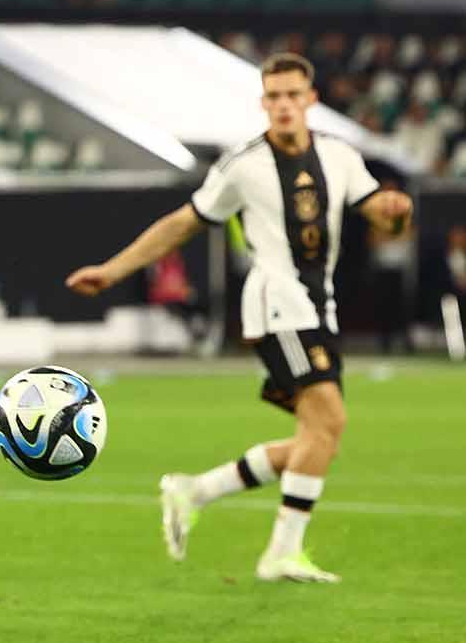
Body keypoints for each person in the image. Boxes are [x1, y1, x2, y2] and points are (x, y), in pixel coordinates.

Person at [65, 53, 413, 583]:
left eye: (294, 95)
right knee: (330, 422)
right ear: (263, 102)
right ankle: (279, 554)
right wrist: (112, 271)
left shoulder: (341, 157)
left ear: (311, 100)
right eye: (274, 97)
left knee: (313, 440)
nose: (284, 106)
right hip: (277, 304)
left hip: (319, 310)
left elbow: (381, 217)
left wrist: (397, 210)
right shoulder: (243, 164)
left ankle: (194, 490)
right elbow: (183, 223)